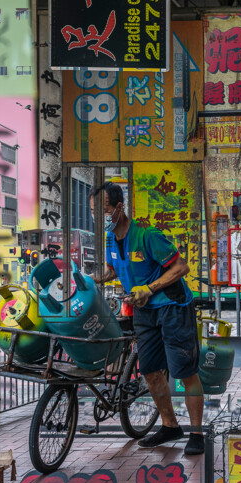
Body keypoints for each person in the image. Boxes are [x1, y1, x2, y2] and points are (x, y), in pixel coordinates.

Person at [89, 181, 205, 455]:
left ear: (119, 208)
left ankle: (197, 433)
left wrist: (149, 288)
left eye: (102, 210)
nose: (98, 216)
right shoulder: (110, 240)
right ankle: (169, 425)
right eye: (94, 211)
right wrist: (89, 280)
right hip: (143, 311)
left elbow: (180, 267)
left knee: (185, 372)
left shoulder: (147, 235)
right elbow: (113, 270)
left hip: (172, 307)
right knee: (151, 371)